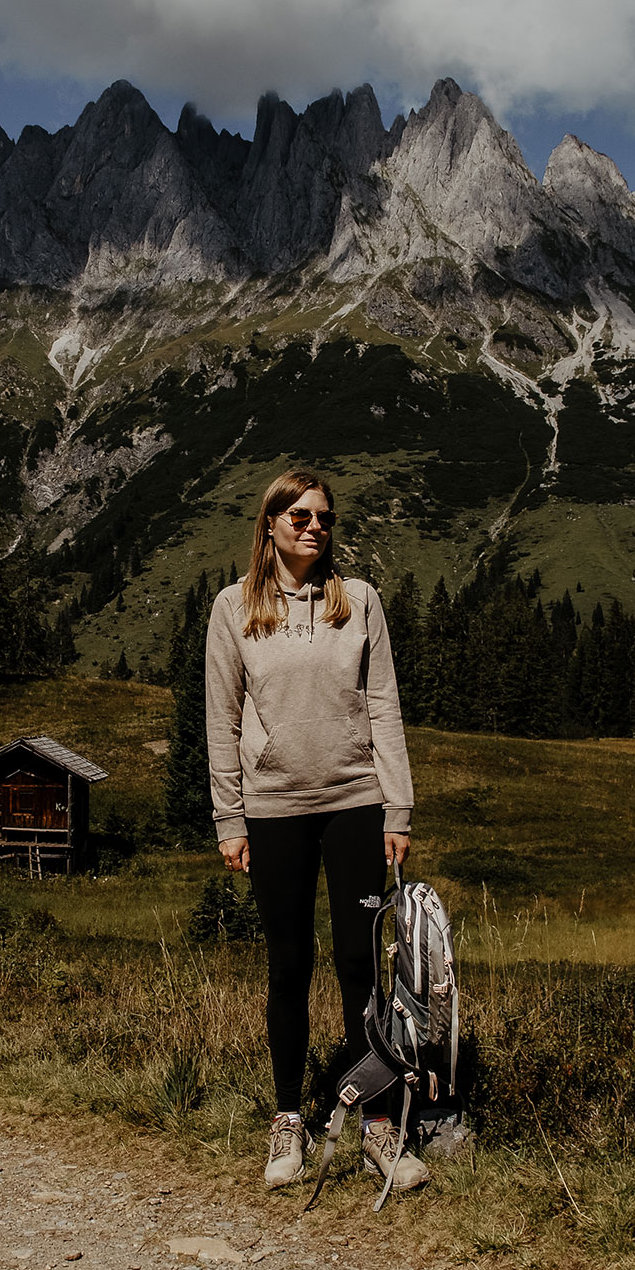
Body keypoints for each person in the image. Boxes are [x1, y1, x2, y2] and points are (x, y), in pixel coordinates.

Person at [204, 467, 427, 1194]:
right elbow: (222, 718)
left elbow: (384, 705)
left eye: (323, 518)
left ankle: (378, 1124)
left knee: (362, 968)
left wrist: (397, 807)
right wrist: (228, 817)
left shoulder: (358, 601)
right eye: (297, 515)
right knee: (288, 966)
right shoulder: (232, 607)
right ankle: (289, 1119)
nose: (311, 527)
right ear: (268, 524)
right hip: (272, 808)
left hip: (356, 802)